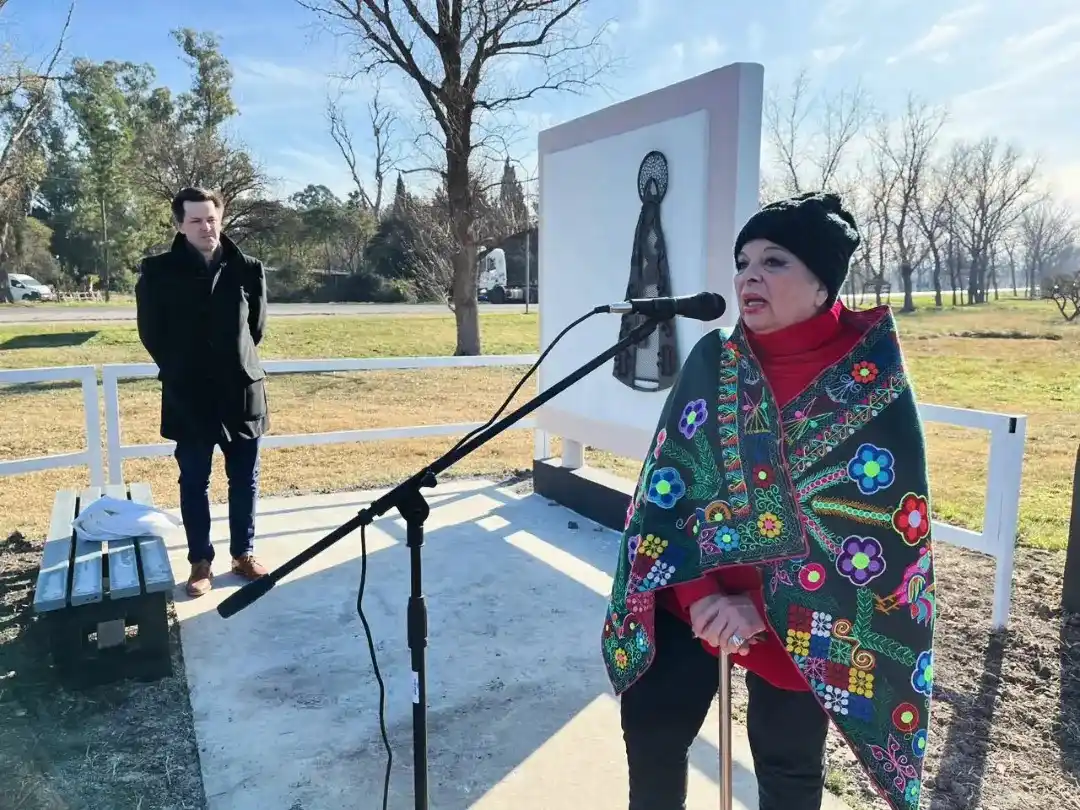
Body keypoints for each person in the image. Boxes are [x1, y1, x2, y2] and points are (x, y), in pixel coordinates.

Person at [601, 191, 937, 810]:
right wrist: (703, 597)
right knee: (651, 737)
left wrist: (761, 610)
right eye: (744, 260)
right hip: (690, 594)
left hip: (811, 620)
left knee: (788, 773)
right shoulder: (713, 359)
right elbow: (668, 490)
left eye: (775, 261)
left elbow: (888, 537)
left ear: (821, 285)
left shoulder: (871, 380)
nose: (749, 275)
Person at [135, 186, 271, 598]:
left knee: (244, 479)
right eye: (195, 220)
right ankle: (200, 561)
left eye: (211, 218)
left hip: (241, 393)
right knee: (194, 479)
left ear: (220, 218)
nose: (205, 227)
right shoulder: (158, 271)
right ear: (180, 224)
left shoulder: (247, 267)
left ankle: (243, 553)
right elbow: (151, 333)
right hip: (189, 395)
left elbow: (257, 329)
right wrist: (182, 369)